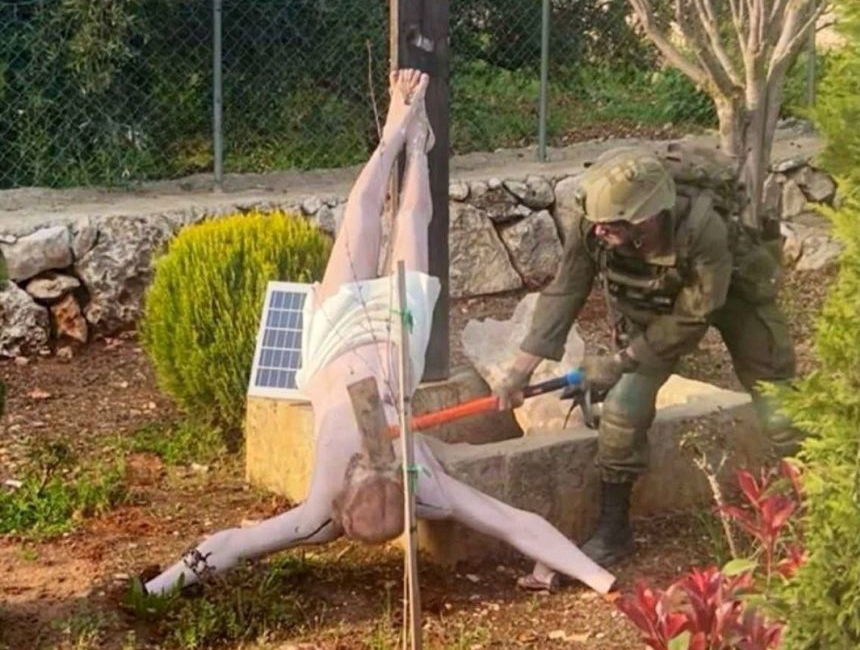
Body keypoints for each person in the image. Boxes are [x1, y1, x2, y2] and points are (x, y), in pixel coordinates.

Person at [144, 69, 615, 597]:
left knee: (368, 220)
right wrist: (600, 580)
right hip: (392, 344)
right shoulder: (422, 491)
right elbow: (514, 523)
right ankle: (408, 143)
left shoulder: (327, 513)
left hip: (333, 344)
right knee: (406, 220)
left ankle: (406, 140)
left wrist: (158, 589)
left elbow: (230, 543)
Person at [498, 145, 798, 570]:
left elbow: (696, 314)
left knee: (775, 394)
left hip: (729, 296)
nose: (600, 232)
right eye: (598, 223)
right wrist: (518, 371)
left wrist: (619, 361)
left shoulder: (703, 229)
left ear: (647, 217)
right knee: (623, 407)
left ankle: (811, 501)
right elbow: (565, 291)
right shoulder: (594, 225)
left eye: (612, 225)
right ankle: (614, 531)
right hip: (657, 308)